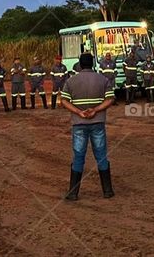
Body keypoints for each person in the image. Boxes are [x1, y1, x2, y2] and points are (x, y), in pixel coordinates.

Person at [59, 52, 116, 200]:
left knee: (78, 156)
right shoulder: (102, 79)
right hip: (97, 122)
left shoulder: (71, 81)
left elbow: (64, 101)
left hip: (79, 123)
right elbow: (110, 98)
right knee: (101, 155)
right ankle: (107, 191)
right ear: (92, 63)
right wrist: (96, 110)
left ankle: (73, 193)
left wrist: (78, 112)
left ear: (80, 64)